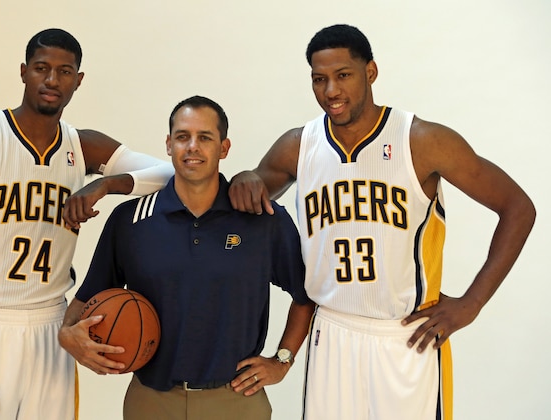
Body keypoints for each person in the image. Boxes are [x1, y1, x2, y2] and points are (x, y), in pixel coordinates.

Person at [228, 24, 536, 420]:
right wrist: (244, 177)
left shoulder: (422, 140)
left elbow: (517, 207)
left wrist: (472, 304)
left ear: (370, 72)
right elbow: (254, 190)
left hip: (407, 336)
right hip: (332, 332)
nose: (331, 92)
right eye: (319, 80)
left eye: (343, 76)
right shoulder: (298, 145)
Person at [0, 28, 174, 420]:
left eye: (64, 72)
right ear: (24, 71)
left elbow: (172, 174)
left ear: (78, 81)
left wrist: (106, 184)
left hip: (53, 327)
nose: (51, 80)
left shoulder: (82, 146)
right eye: (42, 68)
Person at [59, 95, 315, 420]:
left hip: (237, 401)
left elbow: (306, 296)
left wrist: (283, 360)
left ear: (224, 148)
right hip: (151, 401)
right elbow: (87, 298)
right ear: (168, 145)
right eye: (182, 136)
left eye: (204, 137)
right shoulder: (130, 221)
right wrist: (67, 334)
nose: (192, 147)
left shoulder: (263, 219)